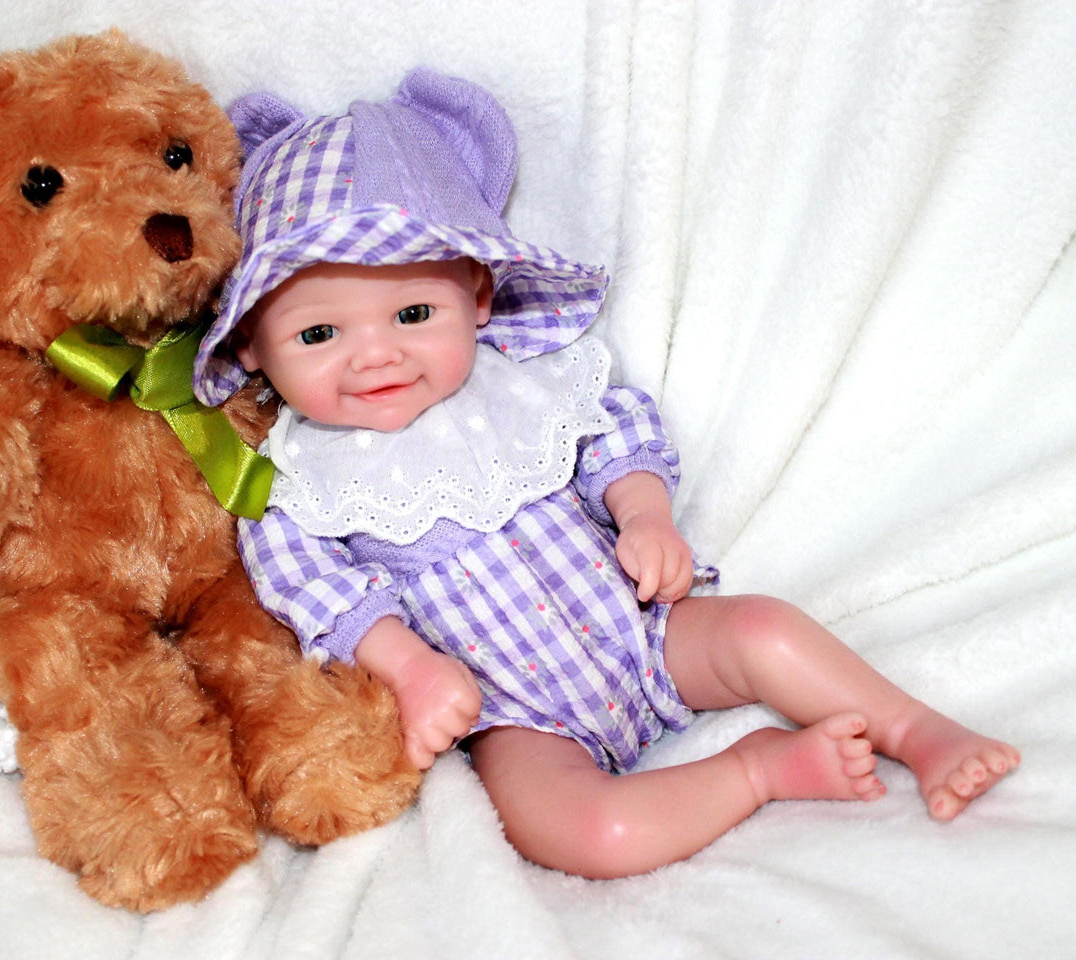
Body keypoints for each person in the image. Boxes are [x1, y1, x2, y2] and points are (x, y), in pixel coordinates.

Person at [192, 70, 1019, 878]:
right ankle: (758, 771)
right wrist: (409, 667)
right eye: (318, 334)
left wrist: (645, 515)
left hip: (645, 628)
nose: (376, 355)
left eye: (413, 314)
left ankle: (916, 731)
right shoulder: (295, 481)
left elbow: (615, 433)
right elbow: (315, 590)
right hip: (515, 714)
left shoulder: (521, 382)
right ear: (252, 345)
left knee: (763, 630)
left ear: (477, 296)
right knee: (588, 831)